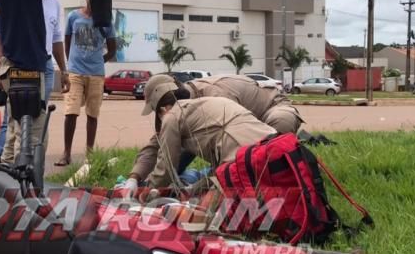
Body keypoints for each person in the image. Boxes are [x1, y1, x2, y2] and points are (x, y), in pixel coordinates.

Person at [119, 74, 301, 195]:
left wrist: (154, 187)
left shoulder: (215, 95)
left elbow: (234, 142)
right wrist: (134, 177)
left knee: (274, 144)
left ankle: (281, 172)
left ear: (163, 106)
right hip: (246, 143)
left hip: (272, 110)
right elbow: (158, 143)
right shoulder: (176, 111)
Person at [143, 85, 277, 189]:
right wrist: (195, 189)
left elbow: (166, 168)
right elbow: (219, 169)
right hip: (271, 144)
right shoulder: (209, 104)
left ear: (162, 110)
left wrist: (147, 190)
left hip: (246, 155)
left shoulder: (171, 116)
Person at [0, 0, 69, 163]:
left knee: (31, 120)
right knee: (20, 121)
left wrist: (64, 70)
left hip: (44, 64)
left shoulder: (53, 2)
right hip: (19, 65)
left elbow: (57, 37)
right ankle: (18, 170)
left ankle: (13, 167)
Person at [54, 0, 117, 166]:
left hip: (96, 74)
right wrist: (68, 66)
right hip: (75, 72)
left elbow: (112, 49)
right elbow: (66, 41)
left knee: (92, 114)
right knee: (71, 112)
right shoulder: (73, 16)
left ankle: (90, 155)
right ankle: (66, 153)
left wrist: (98, 61)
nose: (93, 2)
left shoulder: (105, 20)